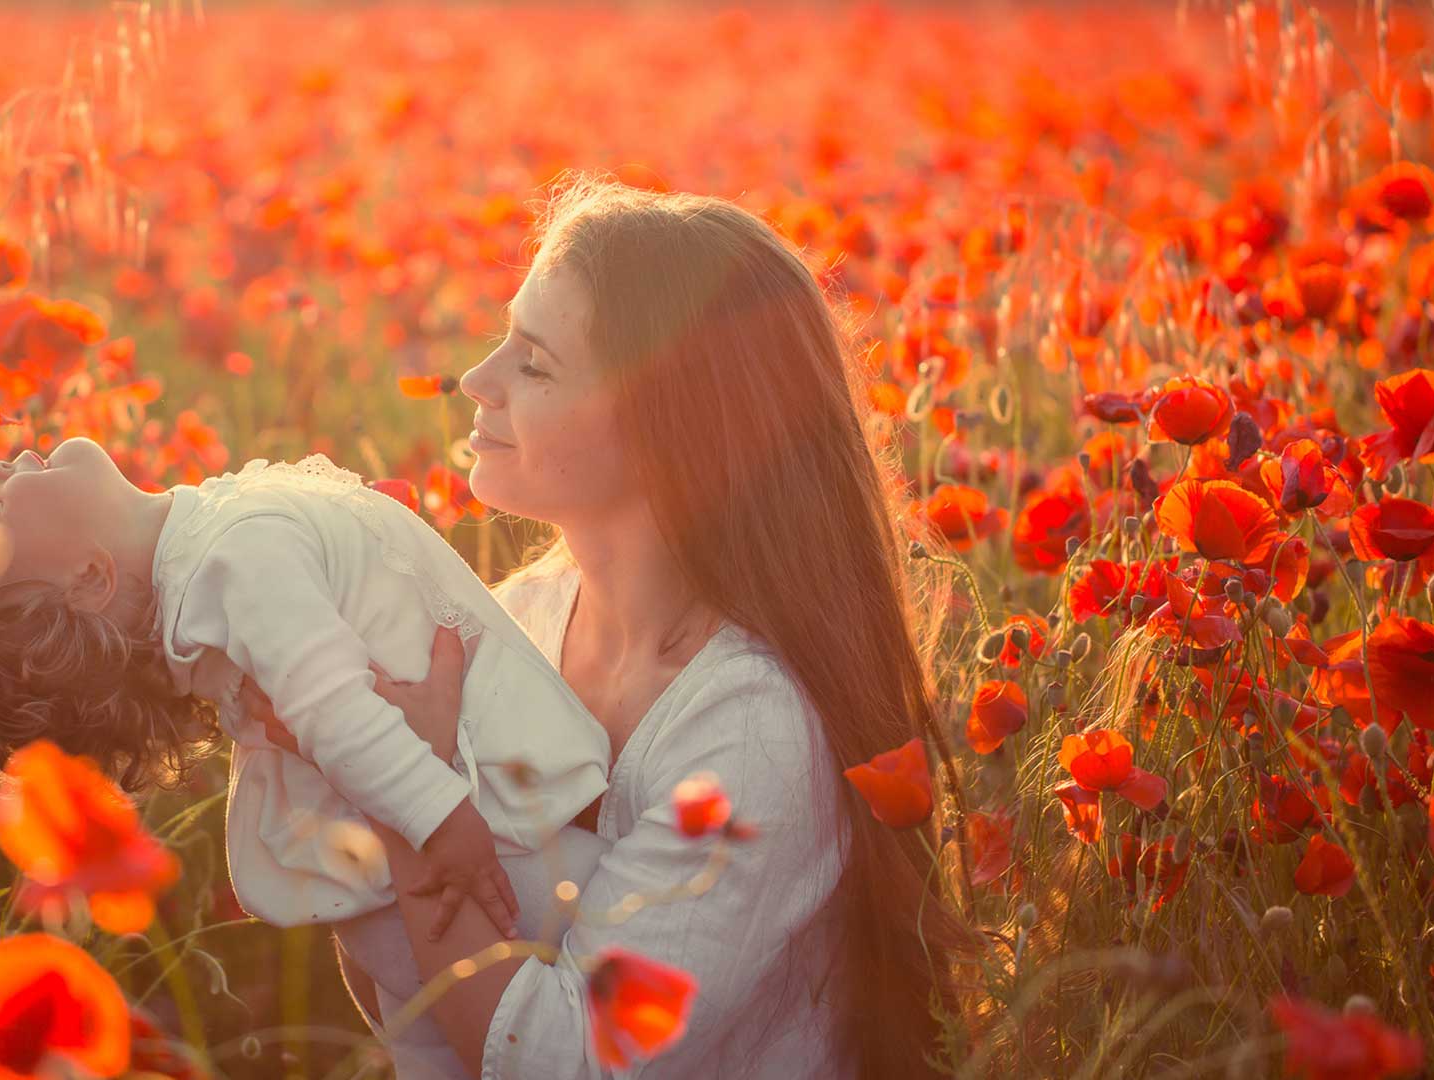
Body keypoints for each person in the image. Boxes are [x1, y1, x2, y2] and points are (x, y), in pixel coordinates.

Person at [258, 174, 975, 1078]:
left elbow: (563, 1062)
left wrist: (409, 794)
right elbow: (409, 998)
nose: (476, 381)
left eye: (535, 362)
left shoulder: (751, 729)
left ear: (672, 427)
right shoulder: (509, 625)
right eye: (502, 341)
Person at [0, 435, 613, 941]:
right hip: (486, 827)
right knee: (611, 915)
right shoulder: (234, 562)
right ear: (90, 579)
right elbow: (334, 710)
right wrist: (446, 826)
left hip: (458, 814)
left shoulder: (207, 554)